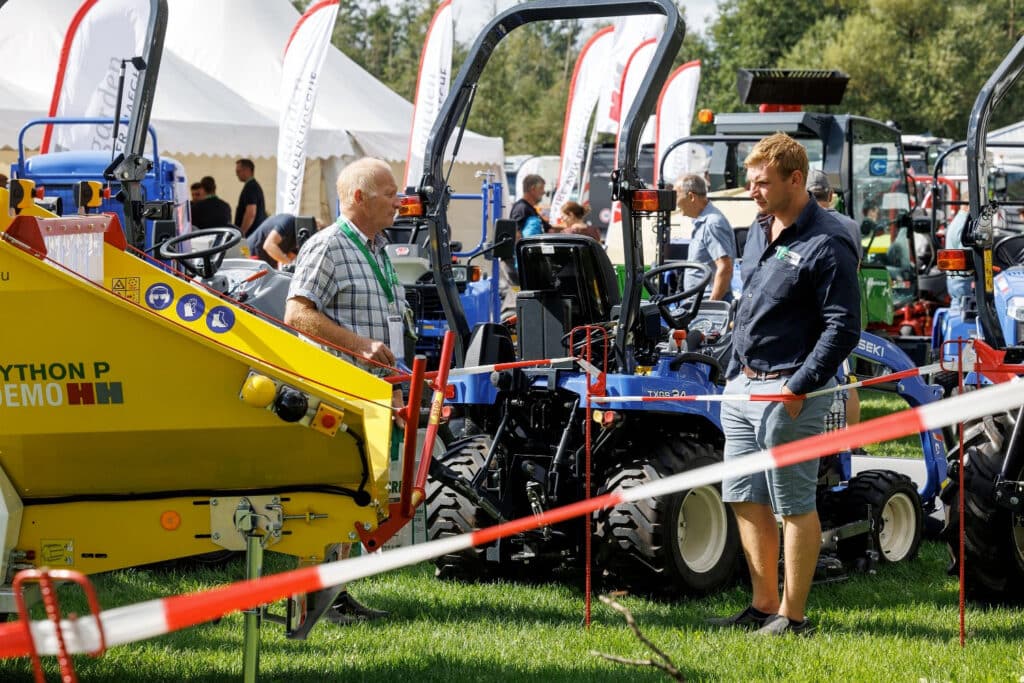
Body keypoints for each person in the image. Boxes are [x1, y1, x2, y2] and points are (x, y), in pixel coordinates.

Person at [710, 133, 860, 636]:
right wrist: (733, 370)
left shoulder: (829, 241)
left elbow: (844, 327)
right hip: (743, 388)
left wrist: (799, 386)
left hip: (790, 393)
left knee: (793, 503)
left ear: (796, 180)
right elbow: (749, 303)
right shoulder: (757, 228)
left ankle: (793, 618)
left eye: (761, 182)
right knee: (743, 495)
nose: (752, 191)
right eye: (750, 182)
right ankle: (762, 605)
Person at [284, 157, 405, 625]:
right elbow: (296, 314)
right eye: (389, 194)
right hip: (335, 393)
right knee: (329, 496)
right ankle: (310, 598)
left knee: (351, 496)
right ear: (358, 197)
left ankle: (331, 593)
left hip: (368, 393)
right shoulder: (328, 246)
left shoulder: (375, 248)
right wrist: (360, 346)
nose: (399, 202)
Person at [806, 169, 863, 425]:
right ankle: (851, 440)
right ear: (830, 195)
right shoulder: (850, 225)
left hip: (807, 312)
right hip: (840, 308)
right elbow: (856, 266)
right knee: (845, 374)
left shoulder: (797, 222)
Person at [674, 173, 736, 301]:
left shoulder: (712, 223)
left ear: (691, 196)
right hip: (701, 303)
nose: (675, 201)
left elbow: (725, 268)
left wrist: (712, 305)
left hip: (707, 305)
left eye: (676, 195)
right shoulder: (705, 222)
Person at [247, 213, 322, 268]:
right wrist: (290, 265)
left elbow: (288, 258)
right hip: (250, 254)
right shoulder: (288, 221)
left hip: (265, 264)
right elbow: (269, 245)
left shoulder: (301, 240)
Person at [510, 174, 552, 238]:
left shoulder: (530, 208)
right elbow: (516, 234)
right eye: (541, 188)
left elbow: (549, 230)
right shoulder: (521, 208)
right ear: (533, 189)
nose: (544, 192)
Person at [234, 158, 267, 236]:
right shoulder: (252, 186)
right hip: (253, 234)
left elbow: (251, 213)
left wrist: (242, 234)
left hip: (250, 235)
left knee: (244, 249)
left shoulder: (251, 187)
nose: (237, 174)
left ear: (247, 170)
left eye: (238, 171)